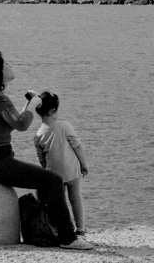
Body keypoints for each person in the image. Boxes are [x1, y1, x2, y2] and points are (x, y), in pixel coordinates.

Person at [0, 49, 92, 250]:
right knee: (54, 180)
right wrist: (33, 105)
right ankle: (68, 238)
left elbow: (11, 124)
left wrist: (28, 106)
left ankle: (52, 231)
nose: (10, 65)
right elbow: (22, 125)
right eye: (6, 64)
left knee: (44, 180)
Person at [33, 92, 89, 236]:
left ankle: (61, 229)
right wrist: (84, 164)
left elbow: (41, 158)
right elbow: (77, 146)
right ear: (52, 110)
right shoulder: (65, 125)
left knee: (60, 202)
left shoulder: (38, 135)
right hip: (72, 170)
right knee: (75, 198)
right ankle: (80, 229)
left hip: (54, 175)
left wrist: (46, 170)